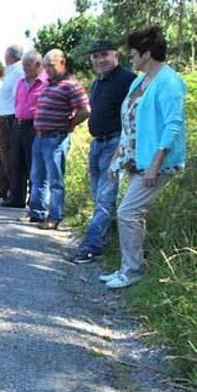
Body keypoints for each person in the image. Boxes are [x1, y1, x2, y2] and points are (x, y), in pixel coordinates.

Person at [101, 27, 186, 289]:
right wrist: (117, 158)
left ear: (147, 54)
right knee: (131, 212)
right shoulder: (140, 80)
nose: (131, 58)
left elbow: (172, 126)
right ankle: (127, 267)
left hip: (156, 162)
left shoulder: (169, 82)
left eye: (134, 53)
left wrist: (155, 166)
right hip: (134, 158)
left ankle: (134, 270)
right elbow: (129, 123)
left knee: (128, 212)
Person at [68, 40, 137, 263]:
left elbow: (134, 116)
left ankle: (91, 246)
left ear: (116, 55)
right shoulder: (98, 82)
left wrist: (124, 148)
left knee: (105, 197)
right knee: (99, 195)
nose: (100, 60)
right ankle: (101, 238)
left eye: (104, 55)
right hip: (97, 143)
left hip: (115, 144)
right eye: (95, 56)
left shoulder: (128, 80)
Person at [23, 49, 90, 230]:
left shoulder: (71, 85)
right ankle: (36, 212)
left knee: (55, 180)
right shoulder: (48, 84)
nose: (47, 69)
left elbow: (85, 110)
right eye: (45, 66)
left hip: (55, 138)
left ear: (62, 63)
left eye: (51, 66)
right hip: (40, 136)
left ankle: (54, 216)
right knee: (37, 176)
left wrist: (70, 124)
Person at [5, 51, 46, 209]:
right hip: (19, 123)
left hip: (34, 125)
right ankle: (16, 197)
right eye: (23, 66)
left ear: (37, 65)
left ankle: (33, 199)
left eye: (27, 66)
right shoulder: (21, 81)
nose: (24, 69)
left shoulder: (45, 82)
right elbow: (17, 101)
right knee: (16, 161)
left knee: (32, 163)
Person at [0, 45, 24, 200]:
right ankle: (2, 188)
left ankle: (13, 192)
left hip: (11, 117)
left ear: (9, 56)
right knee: (4, 155)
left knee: (10, 156)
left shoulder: (18, 72)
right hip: (4, 117)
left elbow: (18, 96)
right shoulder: (10, 72)